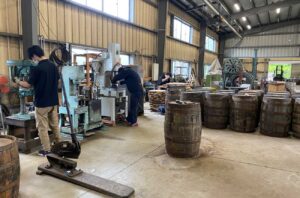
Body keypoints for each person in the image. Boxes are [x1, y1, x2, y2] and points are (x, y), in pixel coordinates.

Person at [15, 45, 61, 156]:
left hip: (42, 103)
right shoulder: (53, 66)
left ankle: (47, 150)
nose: (33, 60)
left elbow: (27, 85)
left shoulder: (37, 68)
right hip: (54, 102)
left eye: (32, 58)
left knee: (42, 128)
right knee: (55, 125)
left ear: (35, 55)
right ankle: (59, 145)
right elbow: (58, 81)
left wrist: (17, 81)